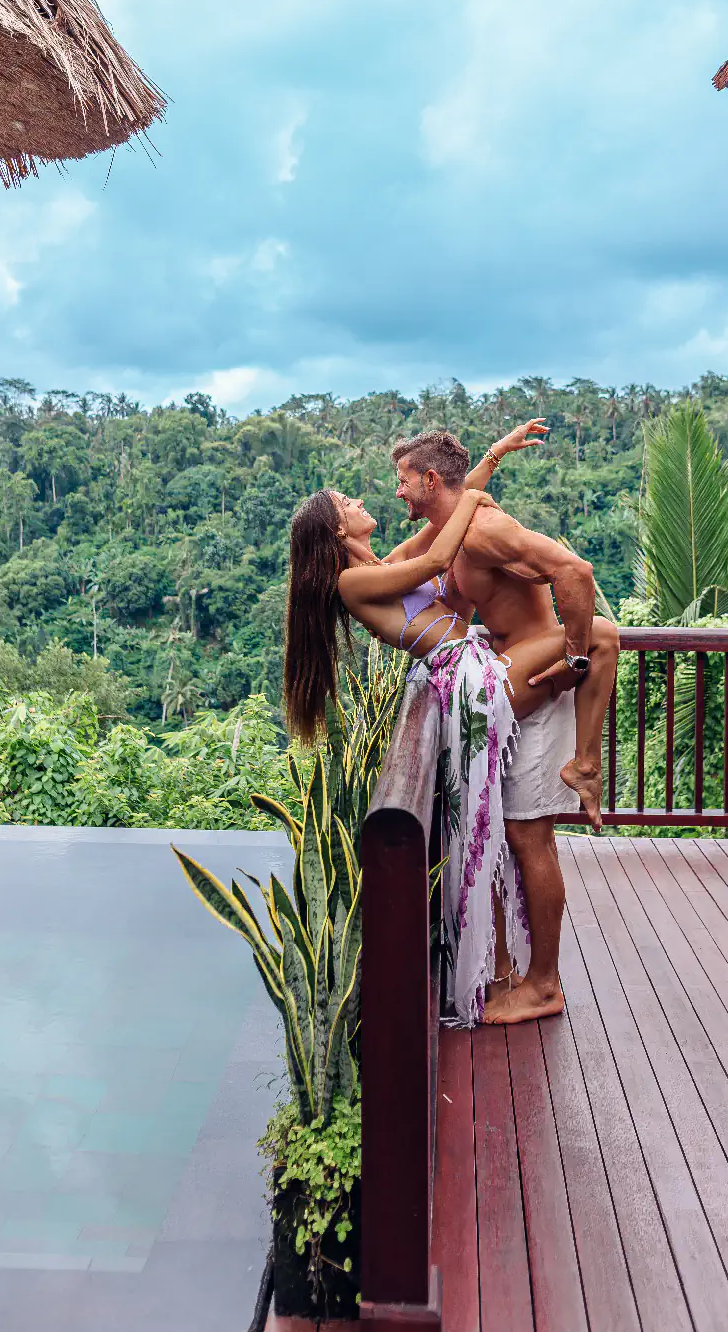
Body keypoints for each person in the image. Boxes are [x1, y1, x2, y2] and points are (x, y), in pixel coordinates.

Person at [282, 424, 579, 1027]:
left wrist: (490, 459)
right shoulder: (353, 581)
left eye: (385, 488)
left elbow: (439, 518)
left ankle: (516, 972)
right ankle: (583, 731)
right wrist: (474, 500)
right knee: (592, 642)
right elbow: (444, 550)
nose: (367, 502)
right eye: (350, 504)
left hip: (474, 669)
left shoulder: (386, 563)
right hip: (467, 679)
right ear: (338, 531)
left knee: (499, 827)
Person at [390, 429, 620, 1027]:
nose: (398, 491)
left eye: (403, 480)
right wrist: (493, 454)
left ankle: (544, 985)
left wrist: (571, 659)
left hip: (536, 694)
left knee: (529, 839)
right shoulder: (457, 526)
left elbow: (574, 571)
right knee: (509, 839)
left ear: (430, 481)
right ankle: (517, 974)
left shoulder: (484, 530)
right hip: (511, 685)